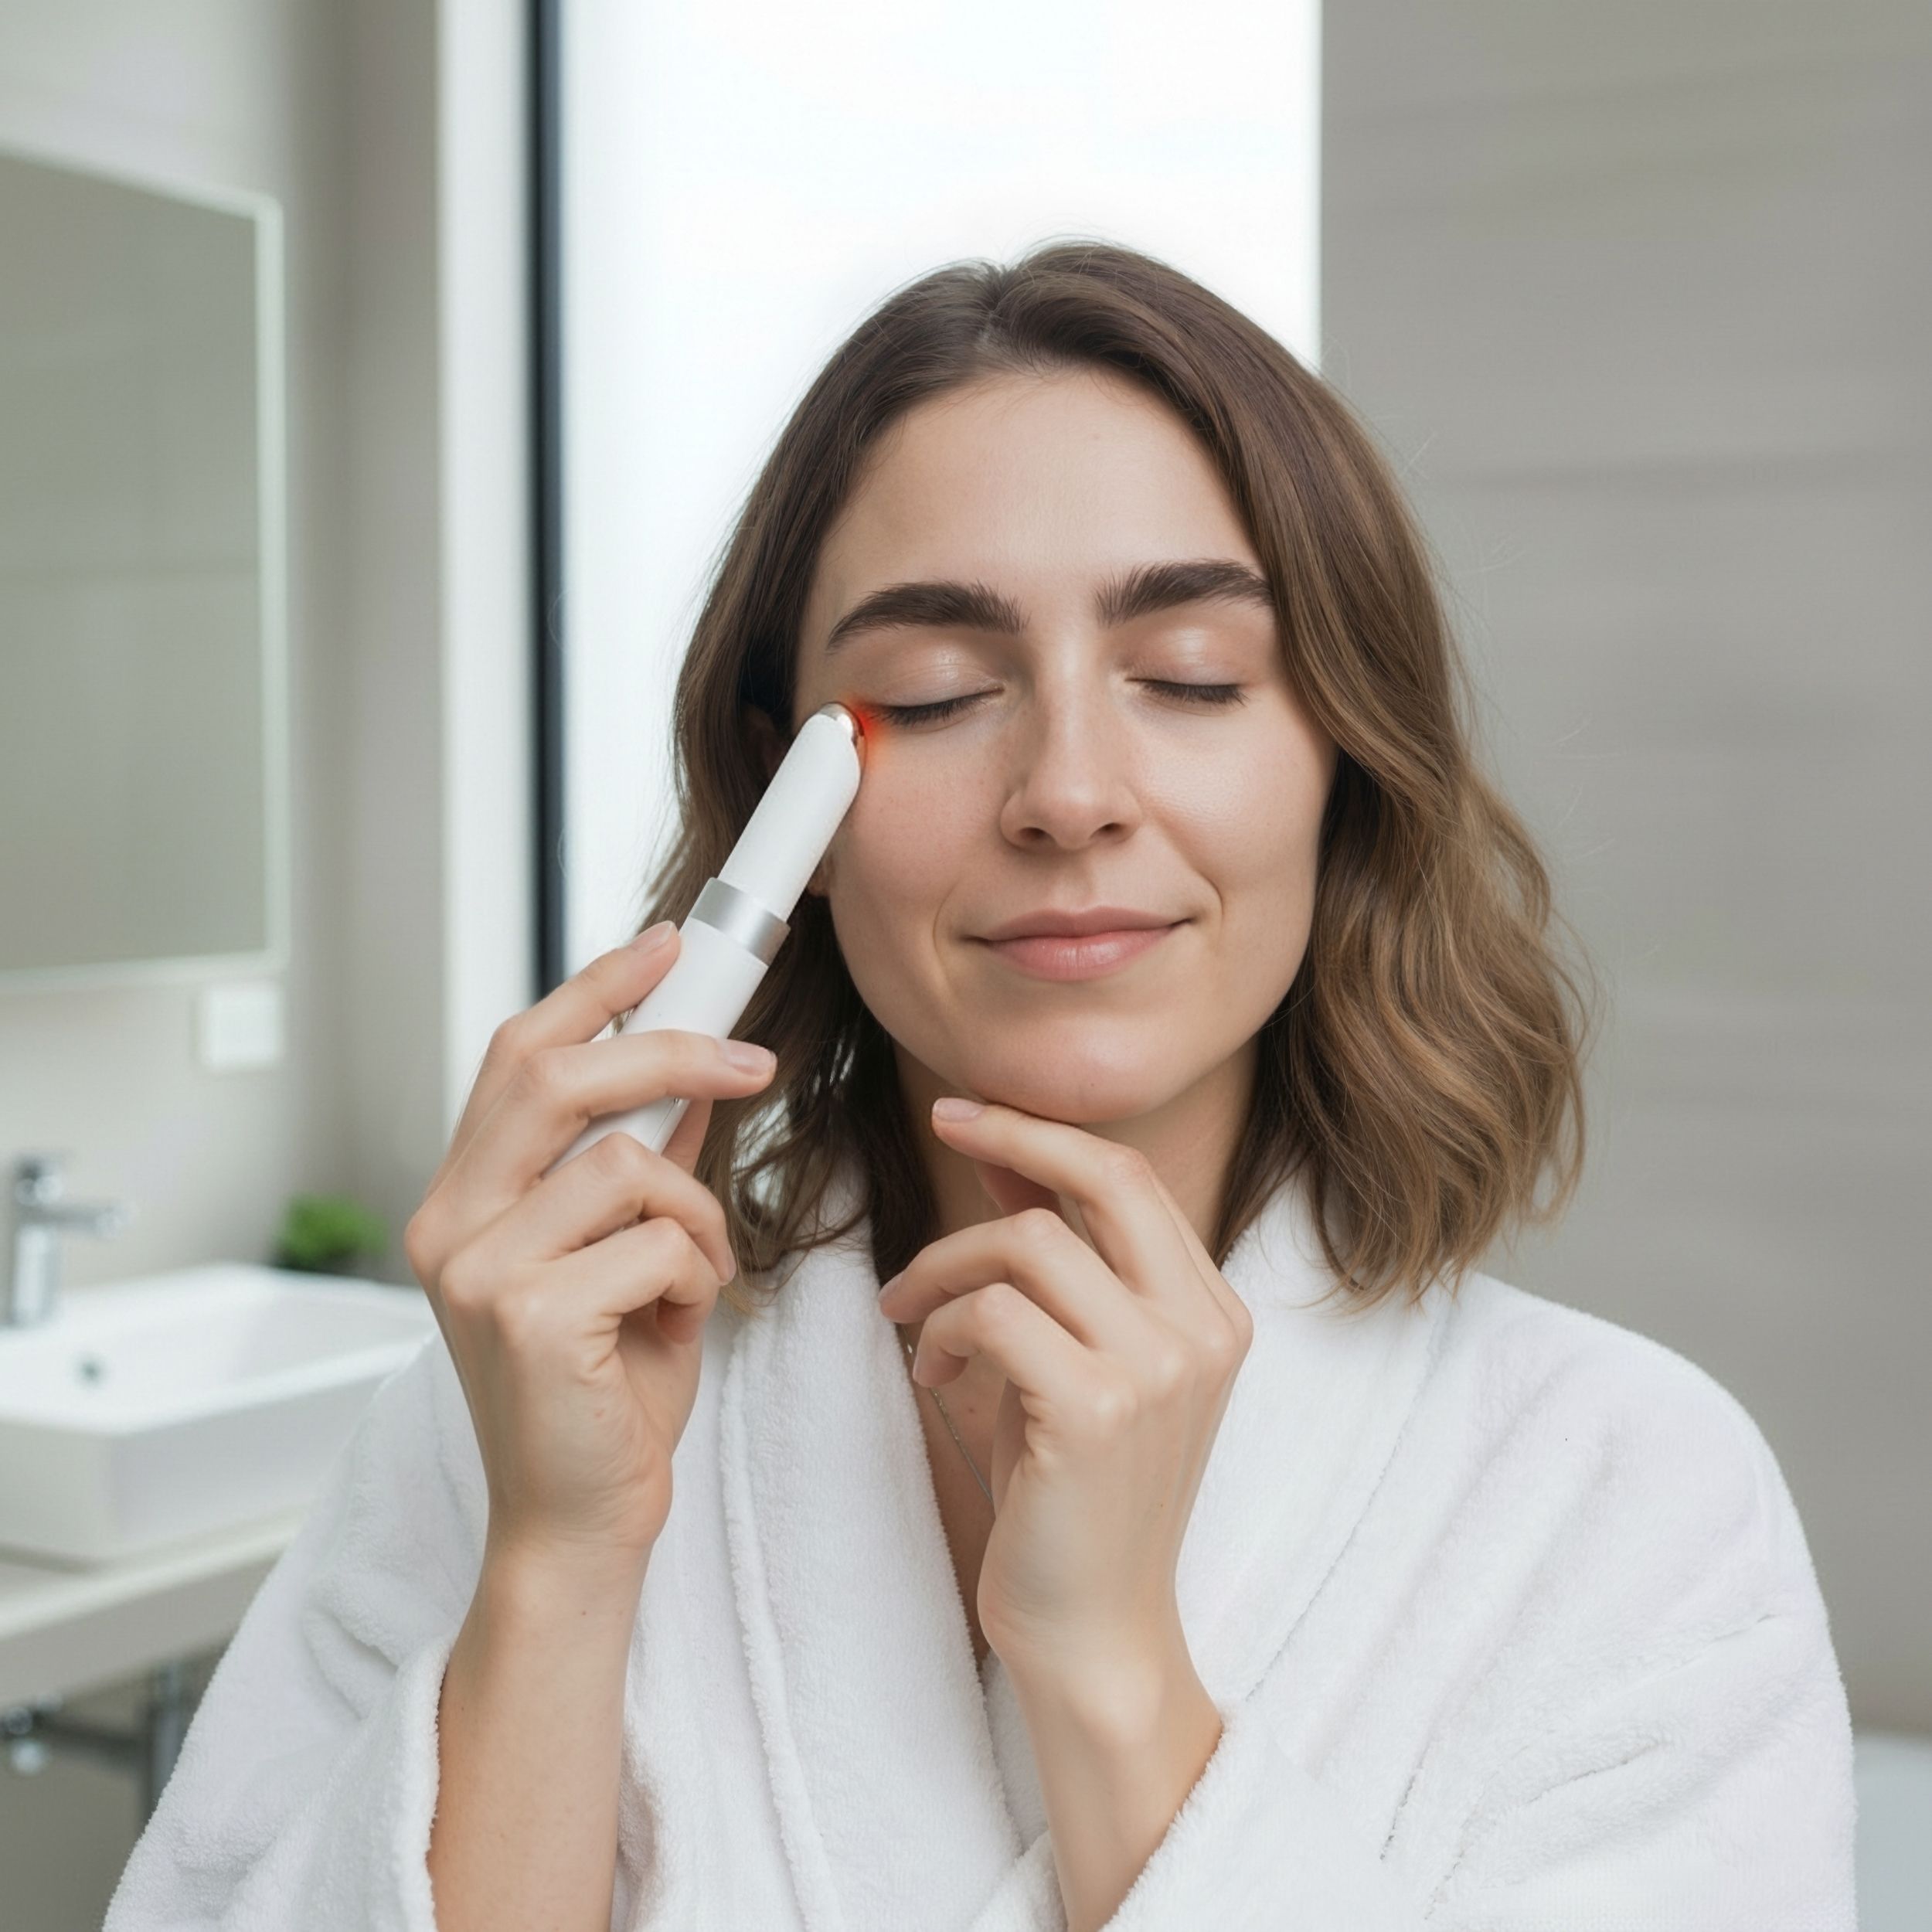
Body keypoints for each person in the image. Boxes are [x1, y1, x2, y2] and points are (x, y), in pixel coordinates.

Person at [104, 242, 1856, 1932]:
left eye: (1188, 676)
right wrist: (558, 1569)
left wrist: (1108, 1667)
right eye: (936, 695)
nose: (1069, 790)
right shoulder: (508, 1422)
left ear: (1343, 766)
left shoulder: (1627, 1497)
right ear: (785, 810)